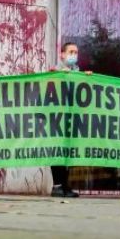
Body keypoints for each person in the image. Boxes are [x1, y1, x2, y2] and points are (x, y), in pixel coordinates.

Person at [49, 42, 82, 198]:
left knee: (68, 152)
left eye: (76, 52)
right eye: (71, 52)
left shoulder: (78, 73)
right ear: (62, 54)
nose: (74, 55)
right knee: (57, 150)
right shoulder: (54, 71)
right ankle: (57, 186)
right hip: (57, 118)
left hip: (71, 117)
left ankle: (65, 186)